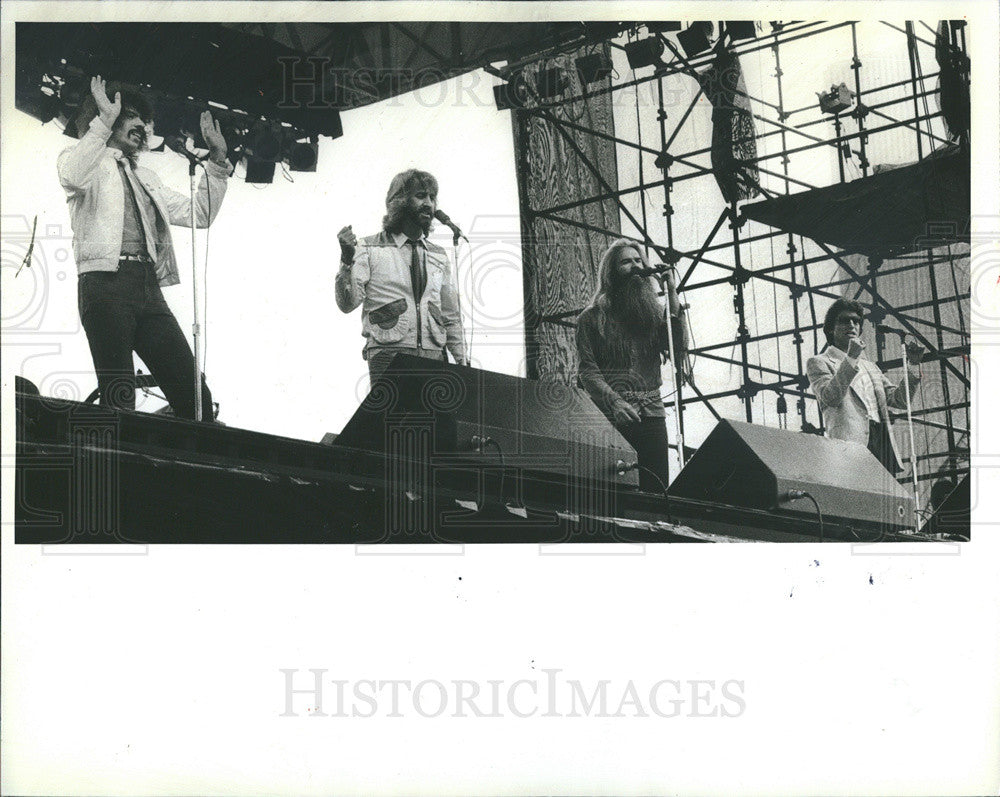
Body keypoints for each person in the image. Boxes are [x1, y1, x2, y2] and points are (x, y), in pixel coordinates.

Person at [57, 76, 230, 420]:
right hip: (105, 284)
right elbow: (73, 176)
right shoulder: (82, 160)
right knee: (119, 398)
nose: (141, 125)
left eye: (144, 120)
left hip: (149, 288)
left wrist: (218, 160)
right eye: (130, 115)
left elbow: (200, 213)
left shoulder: (147, 177)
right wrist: (103, 122)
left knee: (195, 398)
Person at [575, 239, 687, 492]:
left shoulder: (656, 314)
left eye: (638, 261)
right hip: (612, 416)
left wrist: (671, 292)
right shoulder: (591, 318)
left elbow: (677, 346)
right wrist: (614, 401)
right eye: (626, 262)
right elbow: (588, 371)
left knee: (655, 489)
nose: (635, 266)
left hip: (652, 414)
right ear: (612, 272)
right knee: (616, 489)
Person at [335, 169, 467, 382]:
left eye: (432, 197)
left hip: (434, 356)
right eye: (420, 195)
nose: (429, 204)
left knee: (435, 417)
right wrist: (347, 260)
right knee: (393, 417)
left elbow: (450, 314)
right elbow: (347, 303)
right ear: (400, 201)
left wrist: (462, 361)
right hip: (389, 356)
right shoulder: (369, 247)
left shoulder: (438, 255)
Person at [806, 298, 923, 475]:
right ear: (831, 328)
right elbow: (830, 397)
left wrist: (913, 366)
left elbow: (900, 400)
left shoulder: (870, 367)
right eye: (845, 320)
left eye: (856, 321)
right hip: (849, 443)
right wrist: (851, 358)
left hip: (881, 440)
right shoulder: (819, 362)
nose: (852, 325)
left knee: (885, 498)